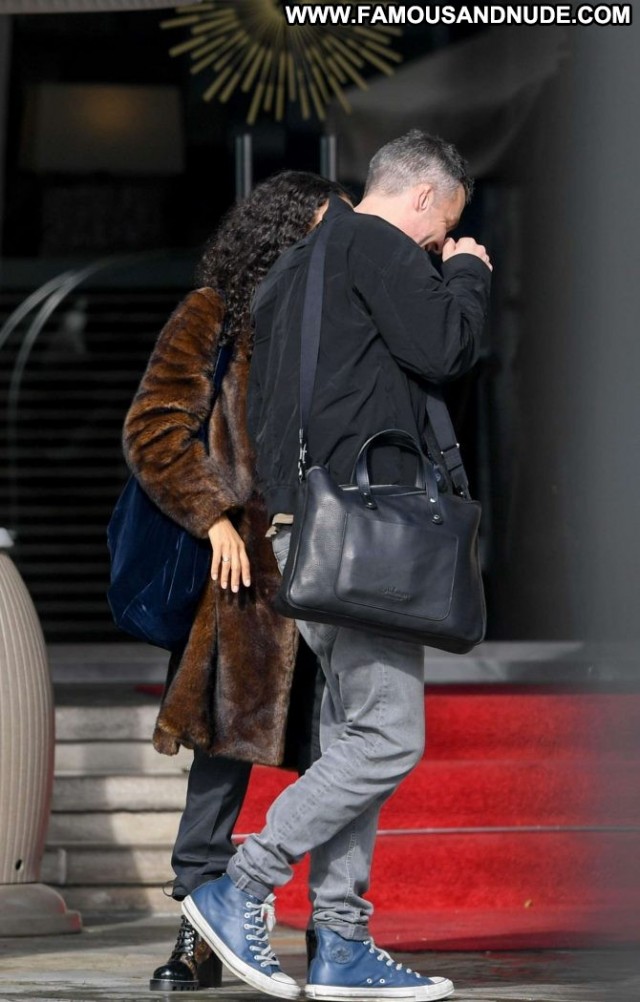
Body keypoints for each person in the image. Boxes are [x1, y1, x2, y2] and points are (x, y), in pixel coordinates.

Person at [181, 131, 493, 1001]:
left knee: (355, 736)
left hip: (305, 531)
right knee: (389, 737)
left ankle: (343, 942)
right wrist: (469, 275)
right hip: (366, 535)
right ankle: (241, 883)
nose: (439, 243)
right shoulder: (381, 246)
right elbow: (447, 349)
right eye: (444, 225)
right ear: (424, 197)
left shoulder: (292, 270)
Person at [122, 171, 351, 992]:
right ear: (285, 231)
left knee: (338, 755)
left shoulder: (342, 317)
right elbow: (154, 427)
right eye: (329, 227)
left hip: (334, 562)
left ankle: (336, 934)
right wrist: (213, 517)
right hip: (245, 576)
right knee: (221, 758)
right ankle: (198, 932)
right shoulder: (214, 313)